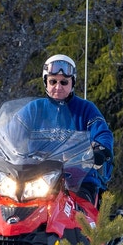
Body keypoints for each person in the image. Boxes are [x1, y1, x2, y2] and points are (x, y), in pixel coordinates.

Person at [24, 53, 113, 205]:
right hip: (36, 177)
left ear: (73, 82)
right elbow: (12, 131)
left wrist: (100, 149)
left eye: (64, 82)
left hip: (78, 179)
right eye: (53, 81)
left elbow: (102, 133)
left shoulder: (86, 109)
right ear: (45, 82)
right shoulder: (34, 109)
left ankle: (85, 220)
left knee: (80, 211)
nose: (58, 87)